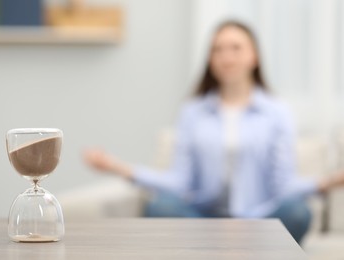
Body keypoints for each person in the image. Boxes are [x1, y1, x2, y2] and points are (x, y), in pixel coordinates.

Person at [82, 20, 344, 244]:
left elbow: (283, 185)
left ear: (254, 56)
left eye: (236, 48)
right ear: (210, 59)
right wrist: (120, 168)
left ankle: (226, 249)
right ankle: (226, 248)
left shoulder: (277, 112)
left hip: (261, 221)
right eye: (217, 49)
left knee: (298, 212)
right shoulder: (193, 112)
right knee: (161, 206)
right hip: (206, 221)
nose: (226, 56)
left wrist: (328, 182)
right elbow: (181, 181)